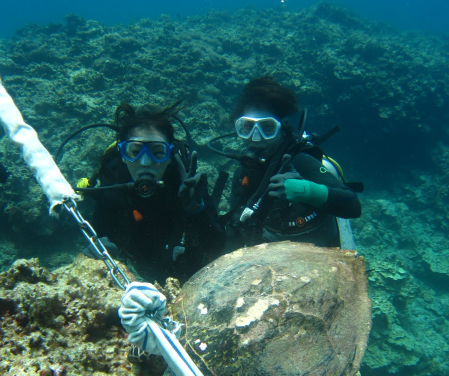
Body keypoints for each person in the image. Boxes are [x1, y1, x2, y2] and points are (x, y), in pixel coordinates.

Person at [209, 77, 361, 252]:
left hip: (320, 260)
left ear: (282, 127)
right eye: (247, 127)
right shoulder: (242, 174)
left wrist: (305, 190)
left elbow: (353, 206)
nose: (255, 138)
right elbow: (234, 229)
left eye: (267, 127)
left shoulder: (300, 162)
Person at [79, 101, 225, 284]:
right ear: (123, 155)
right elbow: (100, 236)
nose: (146, 162)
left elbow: (218, 244)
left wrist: (198, 210)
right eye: (135, 152)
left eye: (158, 153)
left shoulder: (186, 183)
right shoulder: (113, 184)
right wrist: (100, 254)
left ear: (170, 156)